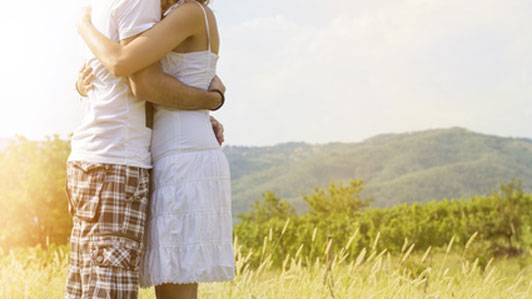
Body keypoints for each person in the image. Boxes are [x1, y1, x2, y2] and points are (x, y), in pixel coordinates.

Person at [66, 0, 226, 297]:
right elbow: (147, 83)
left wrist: (210, 102)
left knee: (175, 280)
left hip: (181, 153)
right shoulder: (162, 14)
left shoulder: (188, 12)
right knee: (164, 277)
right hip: (163, 149)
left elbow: (133, 73)